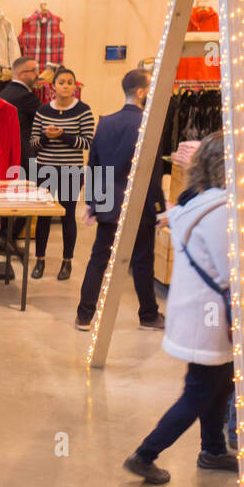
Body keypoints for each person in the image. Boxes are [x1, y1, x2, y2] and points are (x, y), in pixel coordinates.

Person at [123, 134, 237, 484]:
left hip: (198, 311)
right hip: (211, 315)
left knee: (220, 382)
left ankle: (213, 449)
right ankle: (145, 454)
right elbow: (228, 267)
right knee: (202, 389)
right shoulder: (221, 210)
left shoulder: (195, 202)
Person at [76, 68, 164, 331]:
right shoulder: (149, 124)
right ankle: (148, 315)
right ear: (140, 92)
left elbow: (94, 165)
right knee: (142, 261)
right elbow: (152, 171)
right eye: (148, 88)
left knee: (98, 259)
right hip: (138, 203)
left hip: (108, 202)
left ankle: (84, 316)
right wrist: (157, 208)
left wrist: (92, 203)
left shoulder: (105, 122)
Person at [29, 67, 94, 281]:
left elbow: (87, 142)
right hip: (45, 169)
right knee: (44, 217)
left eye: (69, 82)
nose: (66, 86)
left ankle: (67, 262)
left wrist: (63, 135)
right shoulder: (42, 111)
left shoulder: (83, 110)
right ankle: (40, 260)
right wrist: (47, 137)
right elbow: (34, 144)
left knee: (67, 215)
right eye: (62, 82)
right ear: (53, 86)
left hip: (71, 170)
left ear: (75, 86)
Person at [0, 55, 40, 252]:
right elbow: (44, 119)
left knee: (9, 198)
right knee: (28, 198)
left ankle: (5, 237)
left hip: (4, 155)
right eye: (34, 71)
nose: (38, 75)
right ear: (21, 73)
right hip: (24, 155)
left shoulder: (3, 93)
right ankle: (10, 237)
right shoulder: (26, 97)